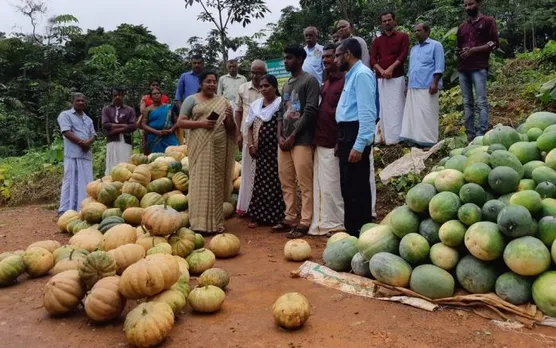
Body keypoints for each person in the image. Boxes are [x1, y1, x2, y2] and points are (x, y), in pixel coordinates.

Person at [178, 71, 236, 234]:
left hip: (219, 145)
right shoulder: (191, 100)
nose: (211, 84)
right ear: (201, 83)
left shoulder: (223, 102)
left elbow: (230, 128)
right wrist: (202, 124)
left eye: (214, 81)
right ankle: (198, 223)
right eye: (208, 81)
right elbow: (181, 122)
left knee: (216, 182)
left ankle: (217, 223)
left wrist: (230, 118)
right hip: (199, 145)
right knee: (200, 181)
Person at [274, 44, 320, 238]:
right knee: (286, 181)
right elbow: (281, 113)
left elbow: (310, 110)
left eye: (289, 58)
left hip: (301, 140)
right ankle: (290, 216)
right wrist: (280, 136)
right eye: (285, 58)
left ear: (300, 59)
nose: (285, 61)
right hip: (284, 141)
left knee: (304, 183)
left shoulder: (310, 81)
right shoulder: (286, 83)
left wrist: (293, 136)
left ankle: (305, 220)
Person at [334, 38, 377, 237]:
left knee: (357, 188)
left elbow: (367, 114)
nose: (335, 60)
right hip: (346, 135)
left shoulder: (362, 75)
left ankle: (361, 235)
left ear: (347, 55)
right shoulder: (351, 75)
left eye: (337, 55)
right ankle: (351, 234)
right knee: (347, 188)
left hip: (355, 134)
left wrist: (359, 145)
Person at [309, 43, 345, 236]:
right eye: (323, 57)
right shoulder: (327, 82)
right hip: (320, 139)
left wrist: (341, 139)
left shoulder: (345, 81)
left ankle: (336, 224)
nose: (325, 60)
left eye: (330, 56)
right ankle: (323, 222)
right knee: (323, 185)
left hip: (334, 140)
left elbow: (345, 113)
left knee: (333, 185)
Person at [245, 75, 285, 228]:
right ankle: (258, 216)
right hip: (260, 151)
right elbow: (248, 125)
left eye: (266, 86)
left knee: (276, 182)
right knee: (261, 181)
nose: (263, 89)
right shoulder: (256, 105)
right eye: (261, 86)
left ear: (275, 87)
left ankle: (275, 216)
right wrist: (251, 145)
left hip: (277, 150)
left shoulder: (280, 103)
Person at [457, 0, 499, 142]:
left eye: (471, 4)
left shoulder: (488, 21)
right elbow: (459, 46)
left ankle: (482, 132)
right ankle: (470, 133)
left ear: (478, 4)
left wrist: (473, 50)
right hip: (463, 69)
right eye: (465, 5)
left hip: (479, 67)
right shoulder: (462, 27)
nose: (468, 7)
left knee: (481, 101)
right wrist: (461, 51)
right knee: (467, 101)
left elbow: (494, 43)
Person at [400, 23, 445, 148]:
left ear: (427, 32)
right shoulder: (414, 49)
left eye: (419, 31)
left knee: (428, 115)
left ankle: (429, 141)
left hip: (428, 86)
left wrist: (435, 83)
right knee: (414, 116)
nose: (416, 33)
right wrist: (407, 85)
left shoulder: (436, 46)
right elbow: (411, 69)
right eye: (415, 31)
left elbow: (439, 66)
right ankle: (415, 140)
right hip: (413, 85)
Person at [370, 11, 410, 145]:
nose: (387, 22)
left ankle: (399, 137)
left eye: (389, 20)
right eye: (384, 21)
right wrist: (382, 71)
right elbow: (372, 59)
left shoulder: (403, 37)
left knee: (398, 106)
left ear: (394, 21)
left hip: (397, 77)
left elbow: (403, 56)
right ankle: (386, 137)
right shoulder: (377, 41)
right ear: (381, 24)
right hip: (381, 79)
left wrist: (390, 69)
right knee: (384, 108)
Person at [234, 60, 266, 216]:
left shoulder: (268, 88)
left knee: (263, 172)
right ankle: (246, 207)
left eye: (259, 72)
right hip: (247, 135)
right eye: (253, 72)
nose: (255, 75)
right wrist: (239, 133)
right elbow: (238, 111)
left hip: (265, 137)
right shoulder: (243, 88)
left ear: (264, 73)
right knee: (247, 171)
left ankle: (261, 207)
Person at [57, 93, 96, 216]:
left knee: (86, 182)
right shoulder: (65, 115)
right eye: (78, 100)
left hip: (85, 155)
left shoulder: (88, 119)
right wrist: (81, 143)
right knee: (70, 182)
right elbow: (66, 132)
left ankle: (83, 209)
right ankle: (65, 210)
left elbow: (94, 134)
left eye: (82, 101)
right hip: (73, 154)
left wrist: (88, 142)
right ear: (72, 102)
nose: (80, 102)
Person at [102, 87, 136, 175]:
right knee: (111, 163)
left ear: (123, 96)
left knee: (125, 164)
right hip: (112, 139)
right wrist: (123, 125)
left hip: (125, 140)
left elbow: (133, 126)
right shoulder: (106, 109)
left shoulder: (129, 110)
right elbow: (106, 124)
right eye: (115, 95)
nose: (117, 97)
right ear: (112, 97)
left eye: (119, 95)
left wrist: (114, 130)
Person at [142, 87, 179, 154]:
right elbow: (143, 125)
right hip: (154, 137)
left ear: (161, 95)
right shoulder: (147, 110)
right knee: (157, 159)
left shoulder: (169, 107)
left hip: (169, 135)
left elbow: (177, 122)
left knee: (175, 154)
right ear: (151, 97)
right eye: (154, 94)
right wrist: (156, 132)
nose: (156, 95)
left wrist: (171, 130)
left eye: (158, 93)